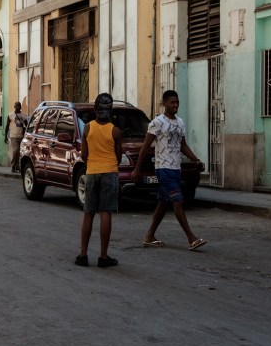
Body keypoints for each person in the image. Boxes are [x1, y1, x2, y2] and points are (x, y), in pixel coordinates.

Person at [132, 90, 207, 251]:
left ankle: (149, 236)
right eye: (172, 102)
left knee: (163, 202)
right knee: (177, 201)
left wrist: (196, 160)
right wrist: (137, 169)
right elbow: (146, 146)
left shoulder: (180, 122)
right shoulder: (157, 122)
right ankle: (191, 238)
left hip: (175, 169)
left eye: (177, 102)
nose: (175, 105)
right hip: (163, 168)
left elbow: (183, 145)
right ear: (164, 103)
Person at [76, 93, 122, 268]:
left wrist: (93, 164)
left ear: (95, 110)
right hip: (109, 172)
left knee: (88, 213)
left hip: (92, 172)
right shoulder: (115, 131)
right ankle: (103, 256)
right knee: (105, 213)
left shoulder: (87, 128)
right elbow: (118, 157)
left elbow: (84, 155)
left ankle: (83, 255)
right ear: (110, 111)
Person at [5, 102, 29, 172]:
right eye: (17, 105)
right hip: (13, 136)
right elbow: (7, 126)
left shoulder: (23, 115)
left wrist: (26, 135)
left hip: (21, 136)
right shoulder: (10, 115)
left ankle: (17, 167)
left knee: (19, 152)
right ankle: (13, 166)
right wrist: (5, 136)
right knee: (15, 151)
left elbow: (27, 126)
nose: (18, 107)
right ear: (14, 106)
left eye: (19, 105)